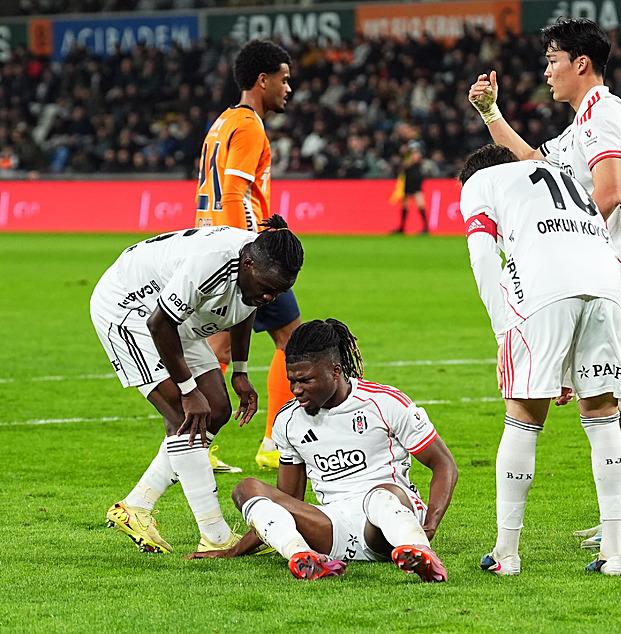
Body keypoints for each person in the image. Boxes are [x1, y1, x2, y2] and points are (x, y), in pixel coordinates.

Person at [468, 17, 621, 550]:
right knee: (606, 397)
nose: (546, 71)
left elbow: (606, 191)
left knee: (615, 395)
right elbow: (536, 166)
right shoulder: (582, 122)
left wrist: (568, 242)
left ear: (581, 63)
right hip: (602, 272)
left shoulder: (603, 112)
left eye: (552, 60)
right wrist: (491, 115)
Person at [458, 144, 621, 576]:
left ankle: (506, 553)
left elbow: (483, 256)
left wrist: (503, 331)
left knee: (522, 415)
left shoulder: (480, 181)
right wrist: (567, 363)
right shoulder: (559, 175)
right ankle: (615, 553)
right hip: (606, 289)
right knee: (603, 415)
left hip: (543, 291)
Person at [91, 216, 304, 554]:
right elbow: (159, 324)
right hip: (131, 309)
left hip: (173, 313)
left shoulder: (256, 270)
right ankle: (214, 535)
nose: (270, 296)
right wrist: (189, 391)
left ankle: (136, 506)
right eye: (267, 287)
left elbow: (247, 306)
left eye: (278, 291)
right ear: (247, 264)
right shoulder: (210, 264)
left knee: (217, 409)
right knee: (183, 414)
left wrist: (240, 371)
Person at [186, 319, 458, 582]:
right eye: (292, 381)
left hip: (388, 526)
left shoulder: (384, 403)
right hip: (335, 529)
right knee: (247, 488)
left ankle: (418, 548)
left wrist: (431, 524)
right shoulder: (288, 420)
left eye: (306, 380)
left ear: (335, 370)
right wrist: (235, 550)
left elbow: (443, 464)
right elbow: (286, 500)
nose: (296, 390)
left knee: (380, 496)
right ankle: (302, 556)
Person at [194, 39, 300, 472]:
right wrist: (249, 253)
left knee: (219, 348)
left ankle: (196, 443)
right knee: (291, 340)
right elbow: (234, 193)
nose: (288, 88)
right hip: (246, 257)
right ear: (263, 80)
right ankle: (274, 442)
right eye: (284, 79)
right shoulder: (251, 126)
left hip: (214, 245)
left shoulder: (222, 122)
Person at [391, 122, 429, 234]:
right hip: (412, 173)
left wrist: (404, 165)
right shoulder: (413, 141)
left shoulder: (413, 141)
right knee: (406, 199)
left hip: (413, 172)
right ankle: (404, 227)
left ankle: (424, 227)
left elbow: (416, 157)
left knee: (417, 197)